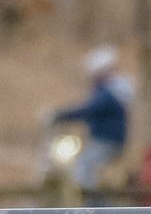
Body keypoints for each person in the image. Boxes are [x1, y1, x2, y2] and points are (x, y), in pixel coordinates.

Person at [48, 46, 133, 205]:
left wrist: (61, 115)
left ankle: (96, 207)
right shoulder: (113, 90)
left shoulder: (110, 92)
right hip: (106, 140)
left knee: (84, 168)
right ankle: (94, 204)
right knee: (86, 168)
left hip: (106, 141)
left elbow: (91, 108)